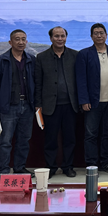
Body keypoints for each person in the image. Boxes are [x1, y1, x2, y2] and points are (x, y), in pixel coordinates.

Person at [0, 29, 36, 177]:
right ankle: (4, 171)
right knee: (5, 141)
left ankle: (19, 168)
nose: (20, 42)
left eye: (23, 39)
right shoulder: (1, 60)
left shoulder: (31, 60)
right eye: (17, 39)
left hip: (27, 106)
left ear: (26, 41)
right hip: (8, 106)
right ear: (10, 42)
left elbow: (36, 82)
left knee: (24, 140)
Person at [35, 27, 79, 178]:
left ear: (66, 37)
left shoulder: (75, 55)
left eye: (62, 36)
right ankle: (51, 167)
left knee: (70, 139)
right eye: (56, 36)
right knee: (50, 139)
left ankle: (68, 166)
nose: (60, 39)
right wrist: (38, 103)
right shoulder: (41, 57)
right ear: (51, 38)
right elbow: (38, 83)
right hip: (49, 105)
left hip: (71, 105)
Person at [75, 23, 108, 174]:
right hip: (92, 102)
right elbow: (81, 79)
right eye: (96, 33)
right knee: (91, 134)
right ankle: (92, 164)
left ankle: (105, 163)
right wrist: (84, 100)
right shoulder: (84, 54)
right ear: (91, 36)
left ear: (106, 35)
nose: (99, 35)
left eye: (101, 33)